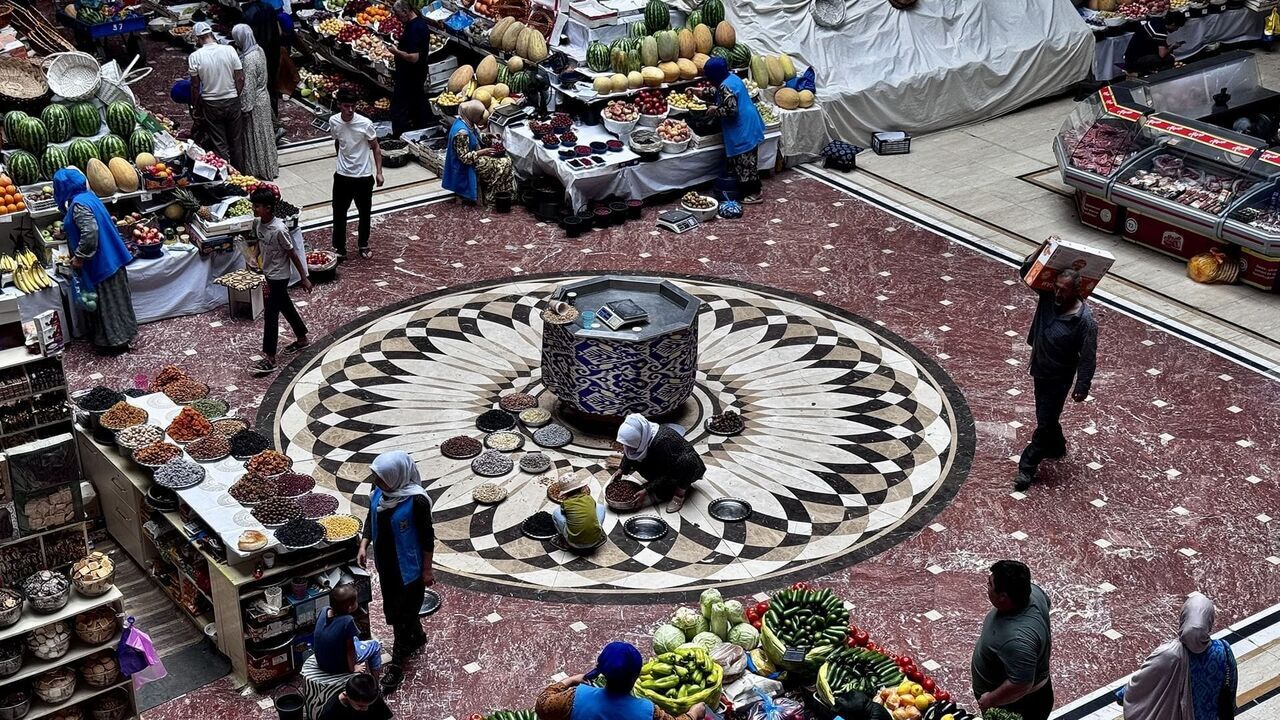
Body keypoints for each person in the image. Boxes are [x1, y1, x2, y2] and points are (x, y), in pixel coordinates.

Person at [1015, 245, 1098, 491]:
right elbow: (1026, 272)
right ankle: (1057, 445)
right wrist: (1043, 248)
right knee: (1046, 415)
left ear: (1076, 291)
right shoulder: (1048, 296)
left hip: (1059, 377)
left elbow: (1088, 356)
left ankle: (1027, 466)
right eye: (1057, 287)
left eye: (1064, 290)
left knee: (1044, 421)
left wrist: (1082, 385)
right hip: (1040, 367)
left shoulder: (1085, 321)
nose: (1058, 293)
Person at [357, 450, 434, 694]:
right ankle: (417, 636)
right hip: (387, 564)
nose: (377, 481)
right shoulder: (380, 491)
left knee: (402, 614)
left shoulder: (416, 501)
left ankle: (398, 664)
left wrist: (427, 570)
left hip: (409, 569)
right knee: (396, 608)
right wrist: (364, 544)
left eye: (382, 477)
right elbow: (371, 516)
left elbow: (427, 539)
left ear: (396, 476)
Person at [1116, 595, 1237, 720]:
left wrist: (1122, 694)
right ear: (1209, 621)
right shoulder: (1223, 650)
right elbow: (1230, 690)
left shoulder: (1169, 655)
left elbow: (1142, 683)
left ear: (1184, 618)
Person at [54, 168, 137, 353]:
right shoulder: (88, 197)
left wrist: (80, 256)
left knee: (108, 303)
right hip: (112, 257)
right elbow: (84, 222)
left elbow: (90, 232)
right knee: (118, 300)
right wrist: (65, 230)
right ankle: (126, 334)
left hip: (102, 263)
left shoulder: (78, 205)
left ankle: (115, 343)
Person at [536, 642, 708, 720]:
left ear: (603, 673)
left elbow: (542, 705)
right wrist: (694, 714)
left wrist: (570, 680)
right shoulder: (648, 712)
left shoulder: (575, 698)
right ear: (636, 677)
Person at [971, 560, 1054, 720]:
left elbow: (1022, 684)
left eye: (990, 584)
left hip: (1019, 706)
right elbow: (1047, 602)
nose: (987, 587)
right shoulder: (1034, 592)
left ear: (1003, 597)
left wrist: (991, 699)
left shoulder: (1017, 641)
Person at [248, 187, 310, 375]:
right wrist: (254, 256)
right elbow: (259, 243)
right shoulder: (258, 224)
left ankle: (270, 358)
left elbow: (293, 254)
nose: (254, 209)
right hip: (269, 273)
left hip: (280, 277)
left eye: (257, 206)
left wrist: (304, 278)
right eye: (253, 205)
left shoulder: (280, 230)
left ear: (268, 208)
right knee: (286, 306)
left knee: (271, 315)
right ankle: (302, 338)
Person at [701, 56, 766, 204]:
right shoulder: (732, 78)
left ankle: (754, 193)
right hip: (750, 121)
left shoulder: (725, 86)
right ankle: (749, 188)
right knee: (747, 160)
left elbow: (731, 110)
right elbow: (719, 92)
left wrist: (715, 110)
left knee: (745, 162)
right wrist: (701, 92)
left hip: (742, 128)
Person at [610, 414, 705, 513]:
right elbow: (629, 453)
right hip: (662, 462)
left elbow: (670, 473)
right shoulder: (642, 435)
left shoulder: (663, 442)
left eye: (631, 446)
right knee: (659, 487)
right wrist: (621, 469)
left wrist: (646, 490)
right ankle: (662, 485)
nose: (626, 448)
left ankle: (679, 495)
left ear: (641, 440)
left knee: (686, 463)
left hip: (684, 467)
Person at [330, 88, 384, 260]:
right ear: (339, 105)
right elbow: (338, 141)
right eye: (346, 106)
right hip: (342, 176)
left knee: (364, 213)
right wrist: (341, 160)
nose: (350, 110)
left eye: (353, 106)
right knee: (339, 213)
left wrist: (379, 172)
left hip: (363, 177)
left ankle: (363, 243)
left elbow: (375, 147)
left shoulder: (365, 124)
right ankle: (340, 247)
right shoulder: (334, 121)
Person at [188, 23, 244, 166]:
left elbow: (195, 86)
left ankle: (226, 173)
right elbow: (240, 78)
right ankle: (241, 173)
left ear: (198, 38)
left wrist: (195, 105)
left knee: (219, 144)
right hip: (232, 100)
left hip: (211, 104)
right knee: (236, 141)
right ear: (211, 34)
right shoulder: (229, 50)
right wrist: (236, 94)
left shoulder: (195, 56)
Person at [442, 101, 514, 210]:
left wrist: (489, 136)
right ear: (473, 114)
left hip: (473, 158)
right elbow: (464, 158)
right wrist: (483, 152)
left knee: (507, 160)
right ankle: (492, 198)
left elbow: (475, 137)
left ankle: (500, 194)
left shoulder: (466, 121)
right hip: (464, 166)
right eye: (479, 116)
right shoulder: (462, 132)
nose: (481, 118)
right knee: (502, 164)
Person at [231, 24, 279, 179]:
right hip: (264, 98)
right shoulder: (259, 50)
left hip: (255, 103)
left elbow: (248, 87)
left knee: (255, 136)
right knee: (265, 135)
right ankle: (270, 167)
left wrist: (245, 108)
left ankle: (258, 169)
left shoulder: (249, 60)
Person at [313, 583, 383, 677]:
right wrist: (353, 668)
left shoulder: (324, 610)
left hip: (321, 662)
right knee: (375, 645)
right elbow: (350, 649)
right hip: (336, 667)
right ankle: (375, 682)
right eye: (355, 601)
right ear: (350, 607)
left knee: (354, 639)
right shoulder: (347, 620)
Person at [388, 0, 431, 135]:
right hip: (416, 73)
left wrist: (396, 52)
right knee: (416, 102)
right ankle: (418, 129)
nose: (397, 18)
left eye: (398, 15)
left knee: (399, 107)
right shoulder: (418, 24)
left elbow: (414, 57)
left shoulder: (415, 29)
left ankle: (399, 135)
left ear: (405, 12)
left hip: (410, 75)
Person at [240, 0, 281, 117]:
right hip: (272, 50)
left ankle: (263, 115)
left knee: (257, 84)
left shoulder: (248, 12)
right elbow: (277, 32)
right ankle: (273, 113)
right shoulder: (269, 7)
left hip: (257, 51)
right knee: (271, 82)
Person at [552, 475, 605, 551]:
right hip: (596, 539)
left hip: (573, 543)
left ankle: (563, 540)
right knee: (600, 507)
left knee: (556, 513)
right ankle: (599, 533)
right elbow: (593, 508)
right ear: (581, 488)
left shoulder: (565, 503)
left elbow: (564, 513)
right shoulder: (589, 498)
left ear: (565, 494)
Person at [317, 673, 393, 720]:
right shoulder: (331, 711)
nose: (366, 709)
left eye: (370, 704)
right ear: (346, 695)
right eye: (361, 706)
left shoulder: (371, 695)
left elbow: (387, 716)